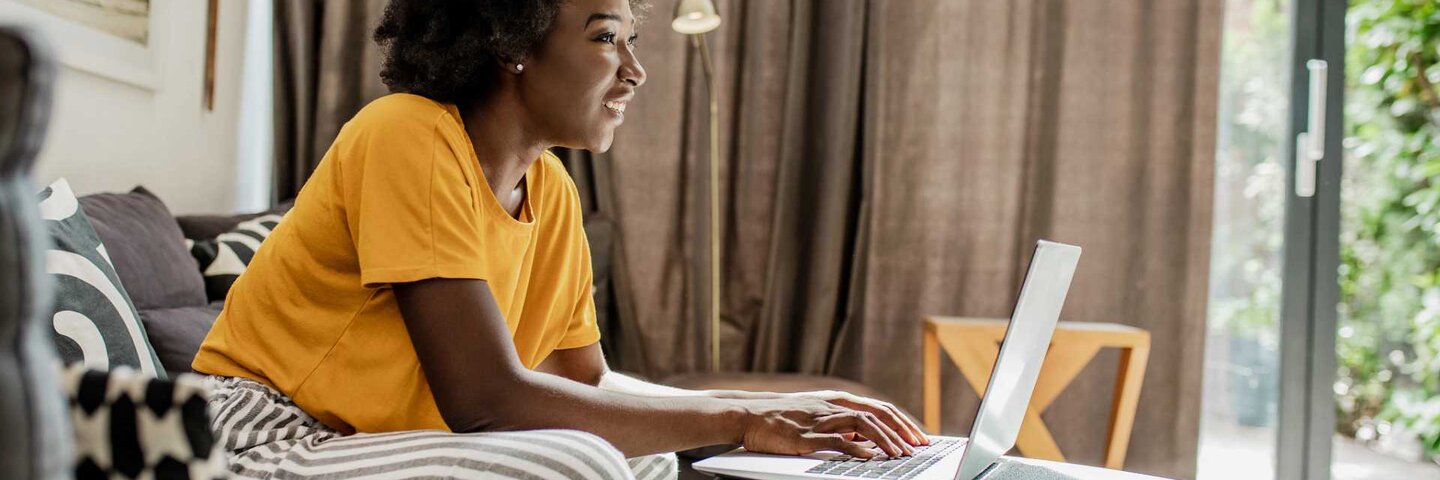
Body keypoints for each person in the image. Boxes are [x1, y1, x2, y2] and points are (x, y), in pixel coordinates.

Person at [192, 0, 928, 478]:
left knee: (645, 461)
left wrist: (785, 410)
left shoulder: (554, 194)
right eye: (607, 37)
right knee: (580, 463)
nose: (635, 71)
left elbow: (584, 386)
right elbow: (484, 398)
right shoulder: (406, 135)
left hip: (357, 439)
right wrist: (739, 417)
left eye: (632, 41)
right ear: (512, 40)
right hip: (259, 433)